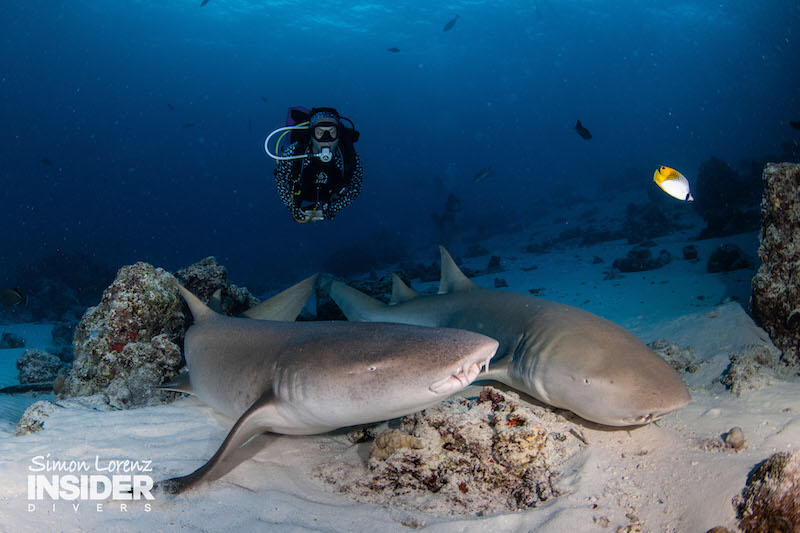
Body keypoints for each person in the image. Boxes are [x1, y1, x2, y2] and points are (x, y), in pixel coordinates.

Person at [266, 107, 363, 223]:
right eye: (319, 133)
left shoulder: (349, 157)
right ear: (311, 134)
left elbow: (355, 187)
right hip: (301, 191)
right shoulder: (294, 153)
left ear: (339, 134)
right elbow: (281, 179)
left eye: (332, 133)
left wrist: (332, 209)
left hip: (329, 195)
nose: (326, 140)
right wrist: (292, 207)